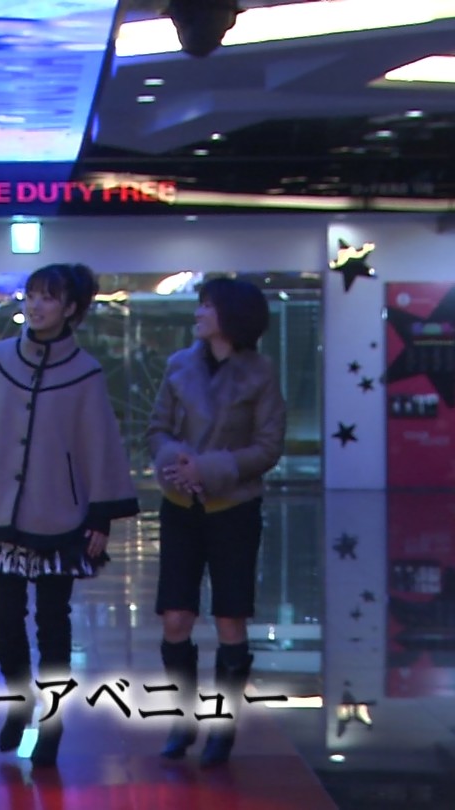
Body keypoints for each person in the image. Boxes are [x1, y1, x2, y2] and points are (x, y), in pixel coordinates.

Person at [0, 263, 140, 768]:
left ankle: (53, 720)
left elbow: (99, 445)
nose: (35, 305)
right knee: (4, 618)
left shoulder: (86, 373)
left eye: (48, 297)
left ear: (70, 308)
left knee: (54, 624)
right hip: (1, 510)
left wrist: (100, 516)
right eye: (30, 295)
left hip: (60, 515)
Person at [145, 277, 286, 767]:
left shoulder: (261, 373)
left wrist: (209, 468)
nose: (198, 312)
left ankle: (222, 728)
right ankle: (180, 720)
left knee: (230, 617)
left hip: (234, 510)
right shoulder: (178, 365)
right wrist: (176, 461)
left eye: (207, 306)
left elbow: (268, 446)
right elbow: (157, 429)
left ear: (232, 317)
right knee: (175, 616)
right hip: (180, 507)